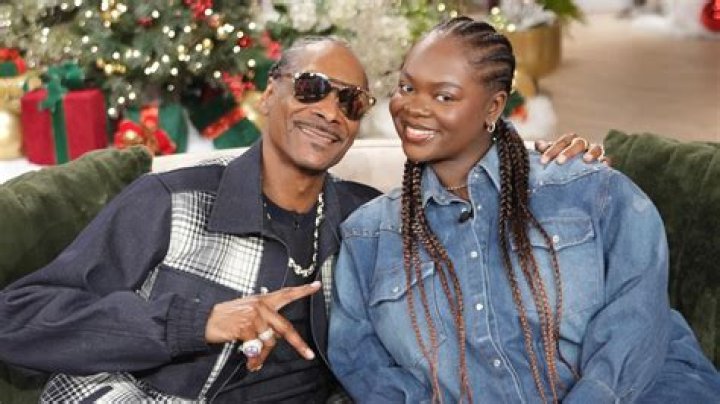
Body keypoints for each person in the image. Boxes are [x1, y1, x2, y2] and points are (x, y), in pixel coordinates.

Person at [0, 36, 597, 402]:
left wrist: (552, 172)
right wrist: (198, 321)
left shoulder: (367, 218)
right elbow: (18, 317)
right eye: (312, 88)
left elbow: (480, 240)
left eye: (350, 101)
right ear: (269, 95)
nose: (330, 112)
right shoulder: (171, 200)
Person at [328, 17, 720, 404]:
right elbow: (362, 364)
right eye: (407, 87)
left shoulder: (588, 189)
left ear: (494, 106)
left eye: (444, 96)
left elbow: (637, 321)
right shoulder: (368, 237)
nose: (414, 107)